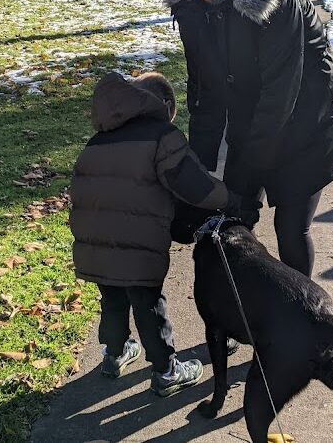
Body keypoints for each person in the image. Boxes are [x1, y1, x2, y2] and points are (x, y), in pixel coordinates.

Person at [70, 71, 258, 397]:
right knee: (147, 302)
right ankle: (166, 370)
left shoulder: (98, 138)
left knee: (112, 297)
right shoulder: (161, 135)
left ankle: (114, 355)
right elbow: (193, 186)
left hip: (94, 237)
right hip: (137, 240)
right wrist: (233, 201)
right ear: (164, 103)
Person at [169, 0, 333, 277]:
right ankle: (244, 311)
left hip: (312, 118)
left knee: (291, 226)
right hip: (253, 110)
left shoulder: (275, 1)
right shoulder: (189, 6)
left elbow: (280, 94)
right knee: (231, 218)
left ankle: (301, 313)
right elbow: (203, 88)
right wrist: (201, 166)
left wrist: (251, 166)